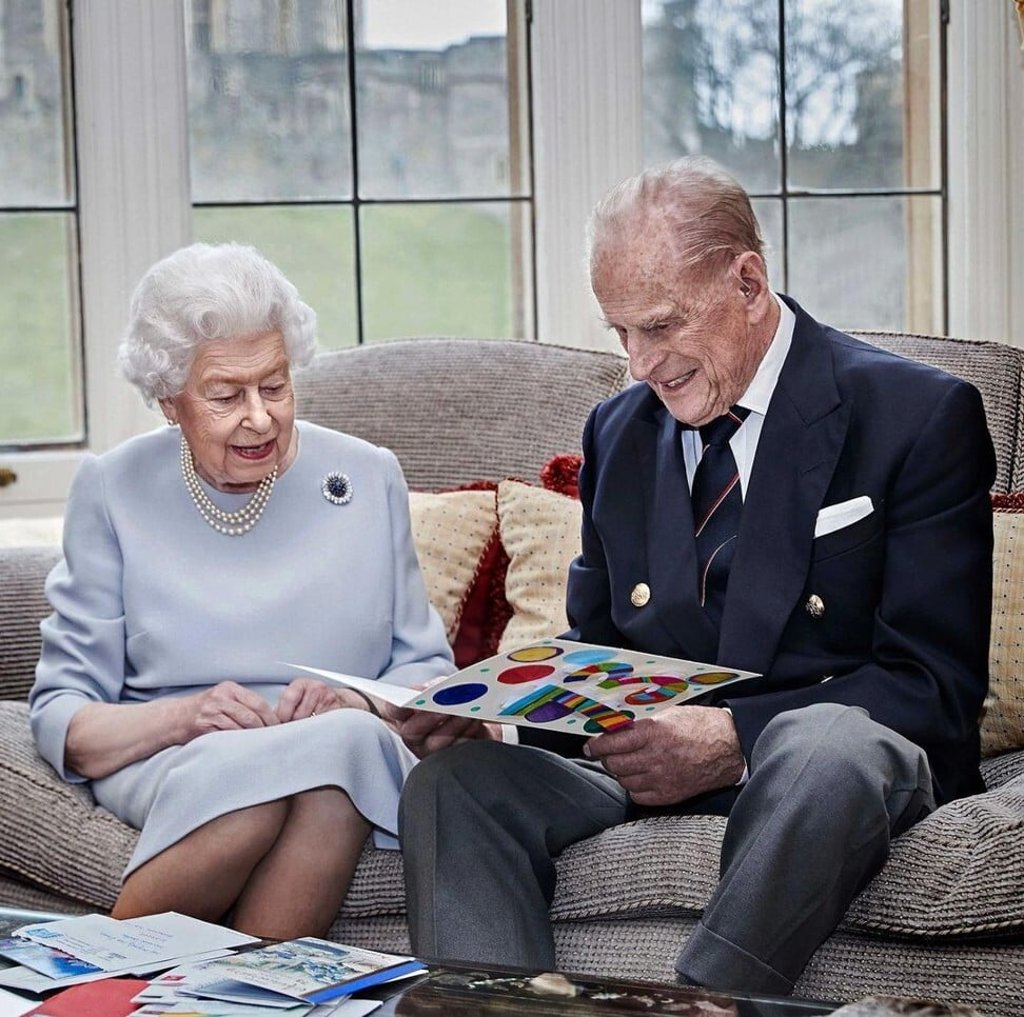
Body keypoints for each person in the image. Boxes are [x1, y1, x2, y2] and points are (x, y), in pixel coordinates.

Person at [395, 156, 995, 994]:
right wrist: (500, 718)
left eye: (662, 325)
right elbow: (598, 649)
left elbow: (933, 687)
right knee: (455, 784)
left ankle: (697, 1006)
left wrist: (733, 740)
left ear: (748, 281)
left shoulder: (916, 416)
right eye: (621, 333)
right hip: (643, 772)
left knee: (827, 743)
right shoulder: (619, 430)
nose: (640, 363)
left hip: (817, 779)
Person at [29, 242, 455, 939]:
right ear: (170, 401)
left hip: (338, 745)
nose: (259, 417)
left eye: (276, 385)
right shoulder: (113, 487)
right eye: (225, 395)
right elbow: (65, 714)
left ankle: (89, 989)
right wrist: (185, 716)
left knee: (334, 759)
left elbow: (427, 672)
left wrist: (355, 698)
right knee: (272, 789)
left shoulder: (367, 474)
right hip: (171, 752)